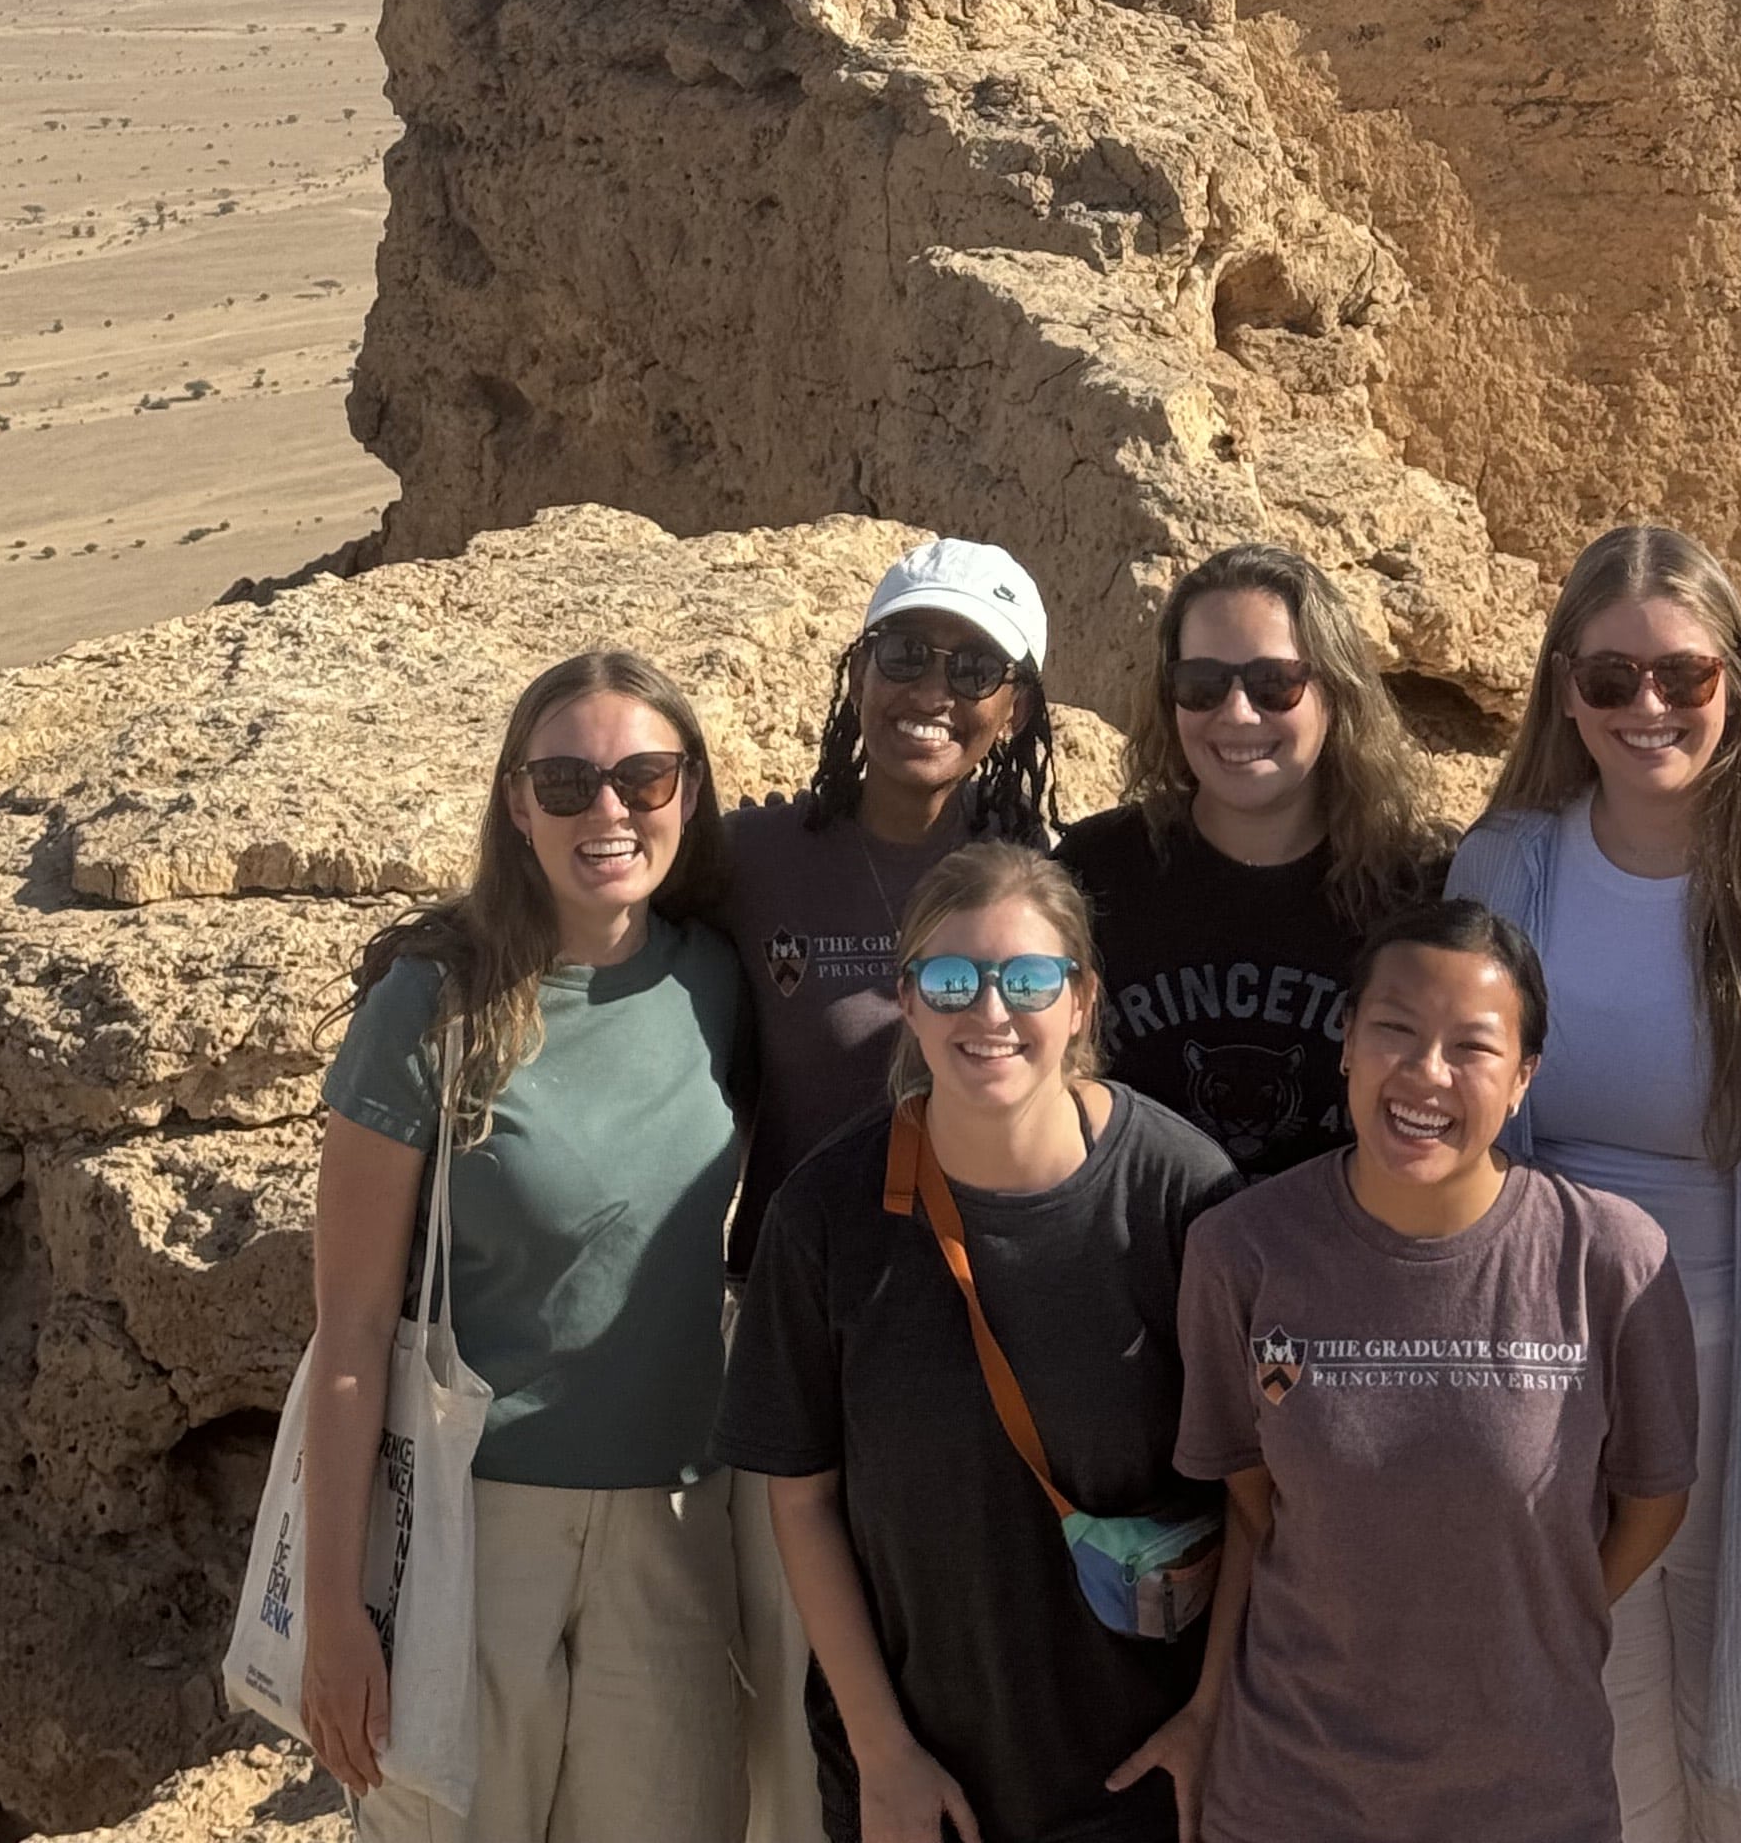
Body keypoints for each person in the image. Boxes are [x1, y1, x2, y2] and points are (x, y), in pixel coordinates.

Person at [1449, 524, 1741, 1843]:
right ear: (1563, 690)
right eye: (1611, 677)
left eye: (1683, 676)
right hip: (1560, 1388)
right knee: (1593, 1745)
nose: (1648, 708)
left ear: (1734, 682)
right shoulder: (1510, 866)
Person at [300, 646, 750, 1843]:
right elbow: (346, 1334)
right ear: (517, 803)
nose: (609, 810)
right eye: (566, 783)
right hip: (468, 1530)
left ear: (688, 793)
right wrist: (337, 1616)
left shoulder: (721, 980)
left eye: (645, 778)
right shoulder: (433, 1003)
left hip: (675, 1522)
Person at [715, 840, 1238, 1843]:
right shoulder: (826, 1211)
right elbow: (804, 1496)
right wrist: (883, 1754)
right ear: (905, 1001)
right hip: (920, 1784)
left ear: (1081, 1000)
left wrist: (1209, 1721)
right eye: (952, 980)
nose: (989, 1013)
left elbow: (1256, 1495)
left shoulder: (1182, 1193)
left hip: (1140, 1777)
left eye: (1028, 979)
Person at [1173, 897, 1699, 1843]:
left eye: (1473, 1047)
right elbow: (1256, 1493)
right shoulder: (1239, 1252)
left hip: (1531, 1796)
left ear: (1525, 1078)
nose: (1426, 1073)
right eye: (1396, 1031)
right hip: (1293, 1795)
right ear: (1344, 1044)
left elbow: (1652, 1505)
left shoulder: (1613, 1261)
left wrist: (1528, 1607)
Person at [717, 539, 1064, 1843]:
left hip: (993, 1339)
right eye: (902, 653)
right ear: (857, 674)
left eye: (970, 665)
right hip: (801, 1348)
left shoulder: (1044, 879)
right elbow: (592, 905)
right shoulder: (755, 860)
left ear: (1016, 707)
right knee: (795, 1695)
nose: (931, 686)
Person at [1058, 540, 1443, 1180]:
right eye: (1201, 685)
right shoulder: (1095, 872)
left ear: (1335, 691)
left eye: (1275, 684)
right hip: (1141, 1259)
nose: (1237, 713)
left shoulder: (1418, 890)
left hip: (1337, 1258)